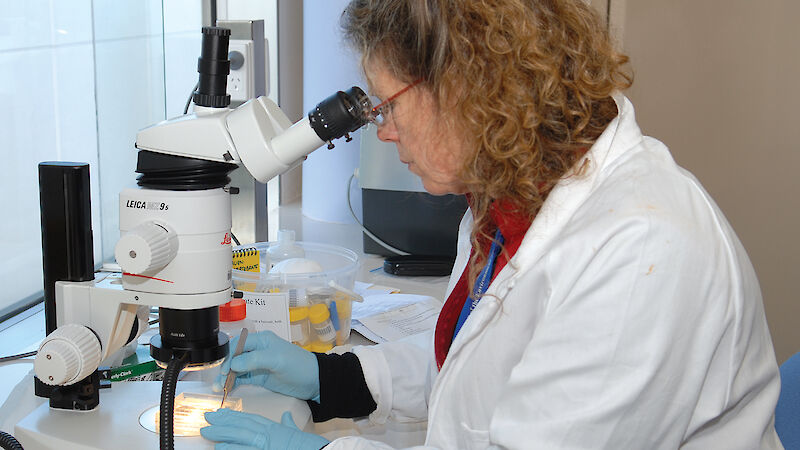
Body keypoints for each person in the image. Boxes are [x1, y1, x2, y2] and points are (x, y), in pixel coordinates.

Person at [200, 0, 784, 448]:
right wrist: (332, 378)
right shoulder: (512, 200)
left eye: (388, 105)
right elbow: (473, 370)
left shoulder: (638, 252)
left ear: (468, 86)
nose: (382, 130)